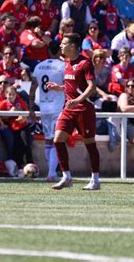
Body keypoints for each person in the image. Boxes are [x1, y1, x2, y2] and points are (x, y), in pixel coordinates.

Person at [46, 33, 100, 190]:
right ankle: (66, 177)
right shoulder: (67, 62)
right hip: (69, 109)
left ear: (72, 46)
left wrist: (78, 100)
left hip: (84, 109)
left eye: (64, 43)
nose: (61, 46)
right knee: (57, 139)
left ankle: (95, 180)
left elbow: (92, 87)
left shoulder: (85, 63)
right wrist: (59, 88)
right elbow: (74, 86)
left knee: (90, 144)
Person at [29, 45, 65, 181]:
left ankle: (51, 172)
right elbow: (69, 86)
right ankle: (51, 173)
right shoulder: (62, 66)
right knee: (58, 140)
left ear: (48, 51)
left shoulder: (39, 66)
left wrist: (31, 108)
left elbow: (33, 88)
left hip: (44, 107)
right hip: (58, 108)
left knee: (49, 140)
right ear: (60, 51)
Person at [0, 85, 33, 168]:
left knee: (26, 144)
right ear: (6, 94)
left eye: (13, 94)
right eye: (9, 94)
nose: (11, 96)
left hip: (23, 126)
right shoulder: (4, 103)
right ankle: (19, 165)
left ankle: (31, 164)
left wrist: (23, 117)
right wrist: (2, 123)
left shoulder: (20, 101)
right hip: (13, 128)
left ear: (16, 94)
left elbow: (26, 111)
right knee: (16, 146)